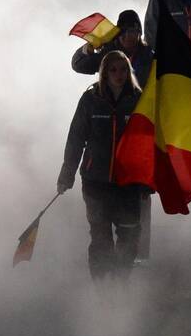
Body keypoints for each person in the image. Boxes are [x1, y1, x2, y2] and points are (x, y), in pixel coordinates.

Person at [71, 9, 154, 263]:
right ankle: (105, 275)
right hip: (104, 130)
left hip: (137, 119)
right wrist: (89, 49)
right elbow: (79, 65)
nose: (130, 36)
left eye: (135, 32)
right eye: (127, 31)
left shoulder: (149, 56)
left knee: (140, 205)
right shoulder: (108, 53)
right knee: (101, 229)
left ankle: (139, 254)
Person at [57, 50, 143, 280]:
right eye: (113, 70)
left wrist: (148, 179)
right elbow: (76, 138)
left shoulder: (139, 99)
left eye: (123, 70)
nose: (119, 75)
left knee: (129, 236)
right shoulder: (91, 99)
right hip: (96, 181)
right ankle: (102, 289)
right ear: (104, 72)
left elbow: (149, 142)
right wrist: (67, 173)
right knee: (100, 238)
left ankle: (121, 282)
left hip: (129, 182)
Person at [70, 9, 152, 87]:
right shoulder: (109, 55)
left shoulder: (149, 56)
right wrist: (86, 48)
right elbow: (77, 65)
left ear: (139, 33)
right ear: (117, 35)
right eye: (123, 32)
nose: (127, 36)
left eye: (132, 31)